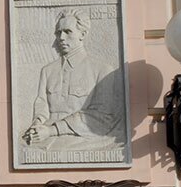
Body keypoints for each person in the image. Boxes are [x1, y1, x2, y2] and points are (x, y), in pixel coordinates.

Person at [21, 9, 123, 152]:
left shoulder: (102, 69)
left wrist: (52, 130)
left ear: (82, 34)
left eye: (68, 32)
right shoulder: (48, 70)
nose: (61, 37)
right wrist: (37, 125)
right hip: (45, 138)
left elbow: (102, 116)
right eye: (58, 32)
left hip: (81, 138)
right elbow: (42, 105)